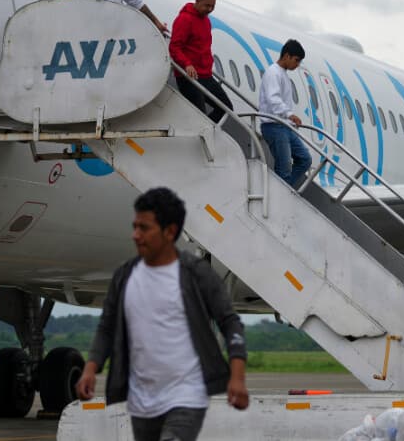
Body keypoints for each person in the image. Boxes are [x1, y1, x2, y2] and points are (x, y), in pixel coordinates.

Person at [76, 187, 249, 441]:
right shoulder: (125, 276)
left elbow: (230, 323)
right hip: (141, 400)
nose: (135, 235)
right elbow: (107, 327)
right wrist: (91, 369)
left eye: (144, 228)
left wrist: (237, 376)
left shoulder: (195, 274)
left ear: (169, 232)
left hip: (187, 395)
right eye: (135, 227)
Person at [169, 0, 233, 122]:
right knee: (200, 116)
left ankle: (206, 133)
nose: (209, 9)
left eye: (212, 6)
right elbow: (174, 47)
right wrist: (186, 64)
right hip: (189, 77)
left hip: (206, 75)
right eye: (206, 6)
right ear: (197, 0)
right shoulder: (184, 19)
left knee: (226, 108)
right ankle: (203, 132)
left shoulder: (206, 22)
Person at [258, 39, 312, 188]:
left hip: (284, 126)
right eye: (296, 60)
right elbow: (272, 99)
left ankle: (283, 189)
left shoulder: (283, 74)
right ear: (287, 56)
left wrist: (289, 120)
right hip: (274, 126)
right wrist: (289, 114)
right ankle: (282, 191)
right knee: (284, 168)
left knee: (305, 159)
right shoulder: (273, 73)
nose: (297, 65)